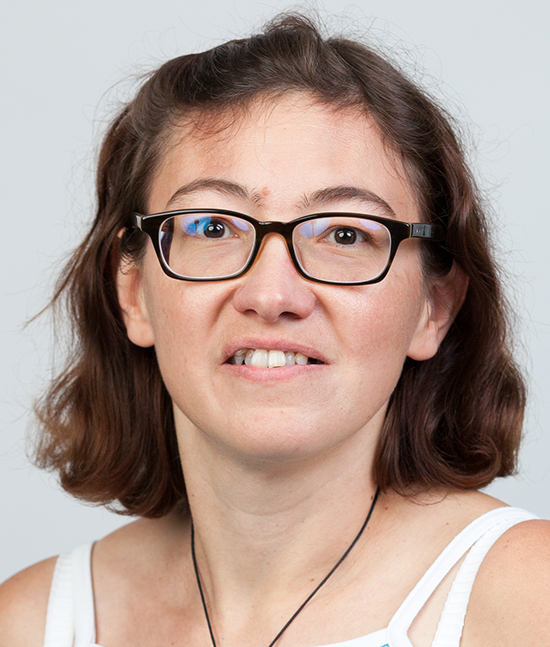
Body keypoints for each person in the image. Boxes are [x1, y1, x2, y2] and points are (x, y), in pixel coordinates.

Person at [1, 13, 549, 647]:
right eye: (212, 227)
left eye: (344, 234)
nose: (271, 296)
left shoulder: (526, 600)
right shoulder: (29, 624)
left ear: (433, 307)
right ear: (134, 293)